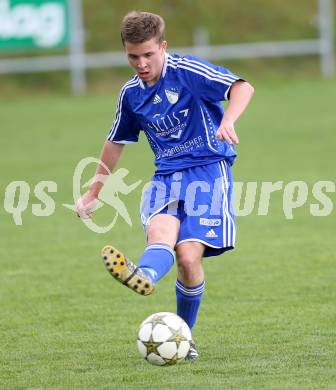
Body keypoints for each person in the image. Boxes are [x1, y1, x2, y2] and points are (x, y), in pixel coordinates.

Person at [76, 10, 254, 361]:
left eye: (148, 54)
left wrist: (228, 120)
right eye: (132, 56)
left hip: (208, 171)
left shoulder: (187, 72)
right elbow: (115, 142)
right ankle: (142, 274)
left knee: (188, 258)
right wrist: (94, 191)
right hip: (166, 176)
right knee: (161, 233)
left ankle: (184, 337)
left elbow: (242, 87)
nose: (140, 63)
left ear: (163, 47)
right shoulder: (131, 94)